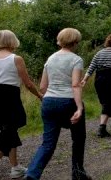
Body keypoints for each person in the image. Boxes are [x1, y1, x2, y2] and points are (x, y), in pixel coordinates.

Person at [26, 28, 91, 180]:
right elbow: (75, 85)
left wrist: (48, 100)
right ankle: (77, 173)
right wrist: (79, 107)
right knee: (78, 139)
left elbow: (42, 87)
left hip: (48, 101)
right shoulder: (76, 60)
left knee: (48, 144)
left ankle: (32, 174)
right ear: (75, 42)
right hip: (69, 102)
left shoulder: (50, 59)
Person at [0, 30, 43, 179]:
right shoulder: (16, 59)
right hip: (9, 98)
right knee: (11, 127)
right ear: (13, 41)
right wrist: (39, 95)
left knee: (8, 131)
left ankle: (15, 168)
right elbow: (28, 84)